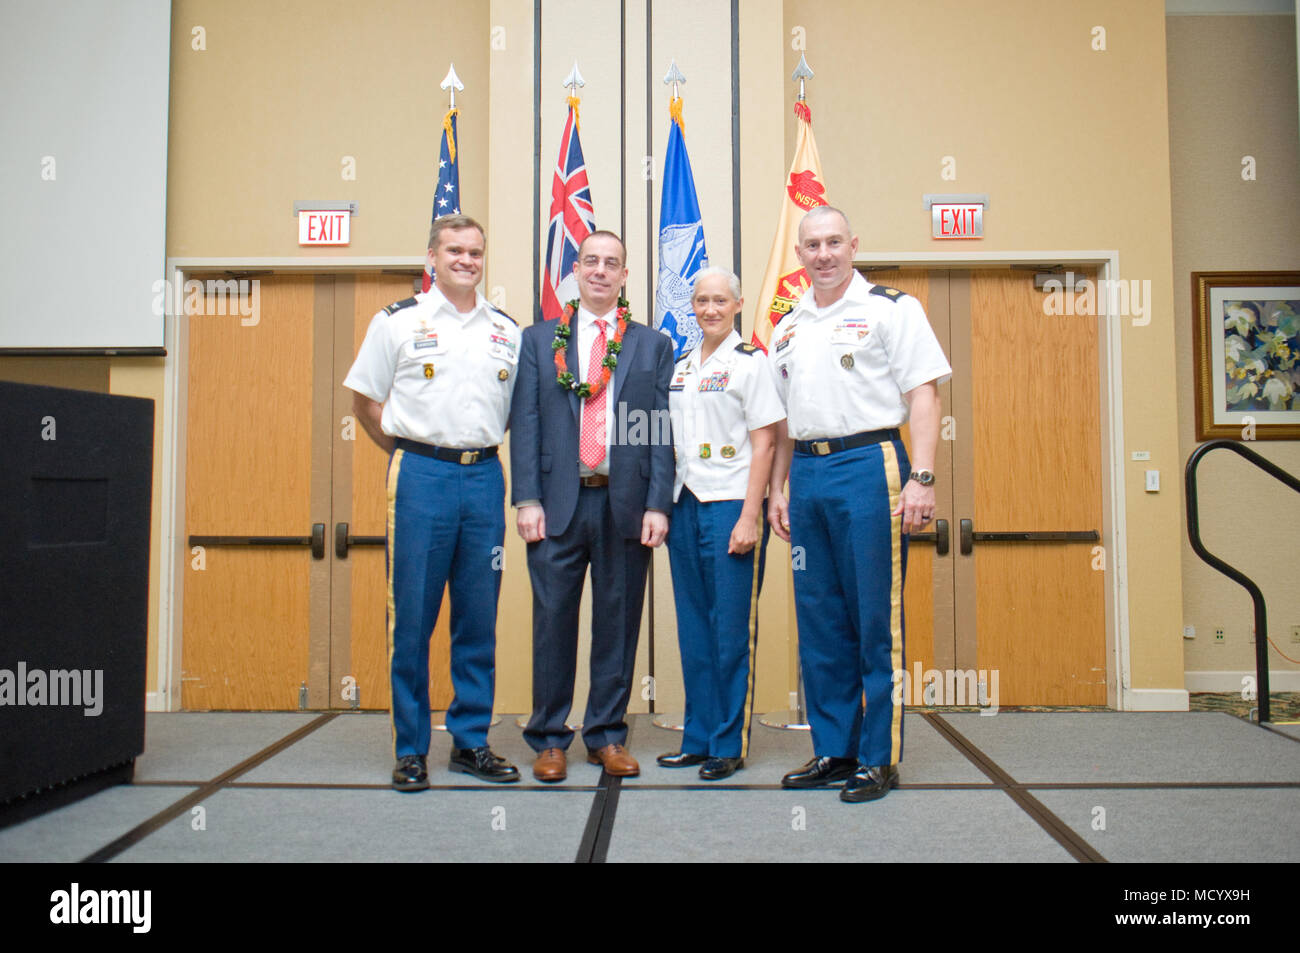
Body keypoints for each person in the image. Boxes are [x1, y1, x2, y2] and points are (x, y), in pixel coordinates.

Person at [767, 206, 951, 803]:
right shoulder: (788, 325)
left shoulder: (891, 309)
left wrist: (922, 477)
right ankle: (833, 748)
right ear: (800, 255)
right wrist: (778, 487)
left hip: (872, 465)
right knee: (820, 619)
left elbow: (924, 395)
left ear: (853, 245)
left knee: (875, 618)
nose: (823, 254)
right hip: (809, 472)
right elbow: (782, 423)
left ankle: (877, 757)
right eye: (812, 245)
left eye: (833, 242)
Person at [344, 214, 521, 792]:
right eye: (454, 251)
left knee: (477, 616)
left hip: (483, 478)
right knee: (412, 617)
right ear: (432, 257)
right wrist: (405, 455)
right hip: (420, 476)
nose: (466, 260)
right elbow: (364, 402)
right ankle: (411, 748)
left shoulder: (505, 330)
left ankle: (470, 741)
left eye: (475, 251)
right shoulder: (398, 322)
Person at [511, 230, 675, 782]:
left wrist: (658, 504)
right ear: (576, 271)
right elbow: (527, 425)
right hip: (557, 505)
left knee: (618, 622)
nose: (601, 271)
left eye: (613, 263)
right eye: (592, 262)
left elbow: (658, 431)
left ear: (625, 276)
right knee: (552, 622)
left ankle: (606, 733)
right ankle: (550, 737)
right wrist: (527, 497)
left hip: (624, 505)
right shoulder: (539, 341)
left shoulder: (650, 345)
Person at [657, 268, 785, 780]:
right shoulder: (682, 366)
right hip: (685, 503)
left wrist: (752, 515)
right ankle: (699, 737)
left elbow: (767, 442)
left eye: (720, 301)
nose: (710, 309)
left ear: (738, 304)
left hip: (732, 503)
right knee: (693, 629)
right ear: (693, 305)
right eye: (702, 300)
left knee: (730, 631)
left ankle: (728, 743)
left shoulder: (751, 364)